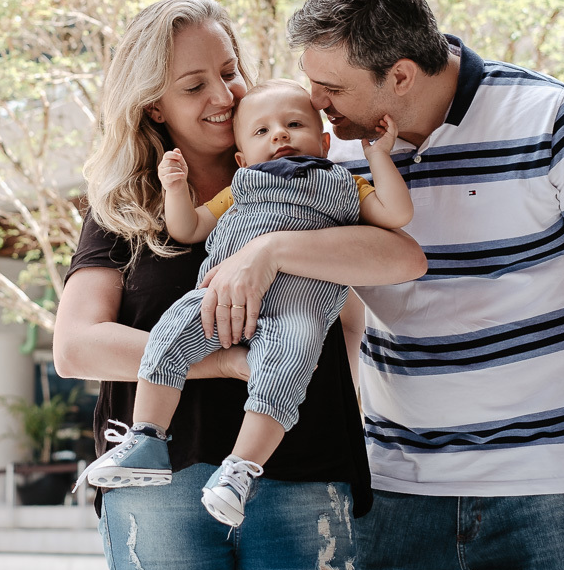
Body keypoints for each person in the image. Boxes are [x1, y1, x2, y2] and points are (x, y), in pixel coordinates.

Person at [289, 0, 564, 570]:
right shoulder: (330, 150)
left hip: (555, 494)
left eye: (330, 86)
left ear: (401, 76)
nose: (315, 102)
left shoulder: (555, 121)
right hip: (396, 495)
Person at [53, 0, 426, 570]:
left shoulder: (309, 170)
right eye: (194, 86)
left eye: (229, 72)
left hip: (305, 468)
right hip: (161, 483)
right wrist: (226, 364)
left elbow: (400, 257)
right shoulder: (126, 207)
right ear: (154, 106)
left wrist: (269, 252)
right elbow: (76, 347)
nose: (223, 97)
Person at [77, 79, 413, 527]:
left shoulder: (345, 185)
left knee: (286, 367)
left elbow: (396, 216)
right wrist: (174, 188)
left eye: (294, 124)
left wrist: (377, 157)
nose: (280, 135)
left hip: (296, 312)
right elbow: (189, 228)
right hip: (218, 303)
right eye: (262, 132)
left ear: (325, 141)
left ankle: (241, 468)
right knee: (170, 333)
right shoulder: (243, 185)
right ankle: (147, 438)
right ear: (241, 158)